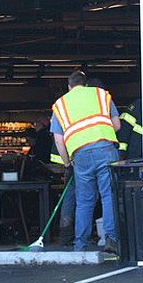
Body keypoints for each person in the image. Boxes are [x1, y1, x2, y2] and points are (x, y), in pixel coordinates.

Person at [51, 69, 121, 253]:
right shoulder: (100, 95)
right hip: (105, 149)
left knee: (84, 201)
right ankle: (112, 240)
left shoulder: (60, 105)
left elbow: (59, 140)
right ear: (86, 84)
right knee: (108, 196)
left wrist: (67, 163)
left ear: (69, 86)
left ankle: (80, 244)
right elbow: (117, 125)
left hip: (80, 155)